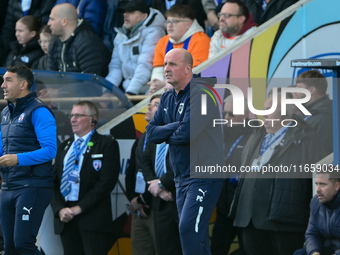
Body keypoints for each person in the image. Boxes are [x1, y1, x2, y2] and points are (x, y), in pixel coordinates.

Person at [146, 48, 224, 255]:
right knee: (194, 235)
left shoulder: (203, 94)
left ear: (188, 68)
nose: (166, 69)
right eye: (165, 64)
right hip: (182, 178)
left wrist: (169, 131)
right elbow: (151, 134)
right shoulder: (167, 98)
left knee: (189, 229)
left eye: (173, 64)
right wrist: (176, 126)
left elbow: (187, 133)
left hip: (203, 176)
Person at [232, 93, 327, 255]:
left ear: (284, 112)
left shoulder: (305, 136)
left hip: (284, 221)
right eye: (263, 109)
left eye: (269, 109)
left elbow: (318, 177)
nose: (264, 113)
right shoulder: (256, 135)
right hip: (250, 218)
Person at [0, 65, 57, 254]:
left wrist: (17, 159)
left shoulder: (39, 111)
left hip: (32, 186)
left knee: (23, 244)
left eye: (8, 80)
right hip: (8, 187)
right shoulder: (5, 113)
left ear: (23, 84)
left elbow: (50, 151)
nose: (3, 85)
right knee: (9, 248)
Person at [50, 101, 120, 255]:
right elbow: (52, 182)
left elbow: (106, 183)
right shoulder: (64, 146)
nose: (72, 119)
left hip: (92, 219)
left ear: (93, 120)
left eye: (78, 115)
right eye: (71, 115)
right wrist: (59, 209)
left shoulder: (106, 144)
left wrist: (79, 208)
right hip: (66, 219)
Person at [211, 95, 252, 255]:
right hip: (223, 210)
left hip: (244, 212)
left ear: (247, 114)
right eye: (225, 113)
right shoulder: (220, 135)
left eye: (232, 113)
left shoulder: (256, 135)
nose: (227, 117)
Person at [142, 96, 182, 255]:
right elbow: (144, 162)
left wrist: (162, 184)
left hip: (180, 198)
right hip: (160, 201)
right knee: (164, 249)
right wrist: (155, 186)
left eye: (157, 105)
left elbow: (186, 162)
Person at [125, 95, 161, 255]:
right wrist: (134, 200)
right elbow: (131, 174)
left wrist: (142, 200)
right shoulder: (141, 139)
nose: (150, 108)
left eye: (156, 105)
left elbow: (159, 174)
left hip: (157, 207)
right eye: (150, 104)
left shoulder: (165, 139)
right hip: (138, 209)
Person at [105, 0, 166, 95]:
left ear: (144, 16)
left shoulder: (155, 32)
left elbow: (145, 65)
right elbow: (115, 66)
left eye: (131, 12)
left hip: (149, 91)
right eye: (124, 12)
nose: (125, 15)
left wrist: (131, 92)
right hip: (128, 91)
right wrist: (107, 90)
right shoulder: (120, 35)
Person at [148, 5, 210, 94]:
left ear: (188, 24)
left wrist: (164, 84)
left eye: (175, 21)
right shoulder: (163, 41)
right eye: (168, 21)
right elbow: (158, 69)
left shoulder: (201, 40)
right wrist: (155, 84)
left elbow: (197, 73)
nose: (169, 25)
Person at [47, 3, 111, 77]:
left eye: (52, 19)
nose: (48, 23)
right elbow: (51, 76)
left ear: (64, 22)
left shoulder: (88, 43)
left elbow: (90, 81)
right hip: (64, 88)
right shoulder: (55, 41)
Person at [293, 171, 340, 255]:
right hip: (330, 248)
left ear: (337, 186)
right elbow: (312, 234)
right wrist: (314, 252)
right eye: (316, 184)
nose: (318, 189)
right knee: (300, 253)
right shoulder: (316, 202)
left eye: (322, 184)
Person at [1, 0, 55, 64]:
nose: (17, 34)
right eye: (16, 30)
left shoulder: (38, 55)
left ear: (33, 33)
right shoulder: (13, 51)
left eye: (21, 31)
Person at [293, 70, 333, 155]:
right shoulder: (309, 113)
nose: (294, 91)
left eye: (299, 87)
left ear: (311, 90)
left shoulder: (324, 117)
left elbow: (324, 155)